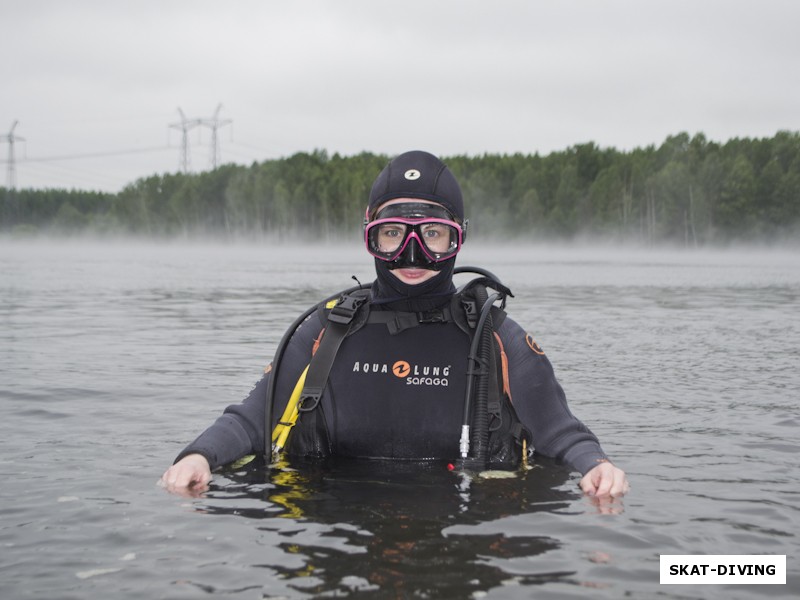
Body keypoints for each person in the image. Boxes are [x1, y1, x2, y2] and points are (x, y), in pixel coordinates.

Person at [161, 150, 629, 499]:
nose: (412, 255)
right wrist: (198, 456)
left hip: (459, 542)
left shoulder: (498, 342)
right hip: (340, 536)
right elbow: (252, 420)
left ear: (457, 238)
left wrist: (596, 467)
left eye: (432, 236)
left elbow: (560, 432)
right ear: (370, 234)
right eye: (392, 234)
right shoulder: (327, 331)